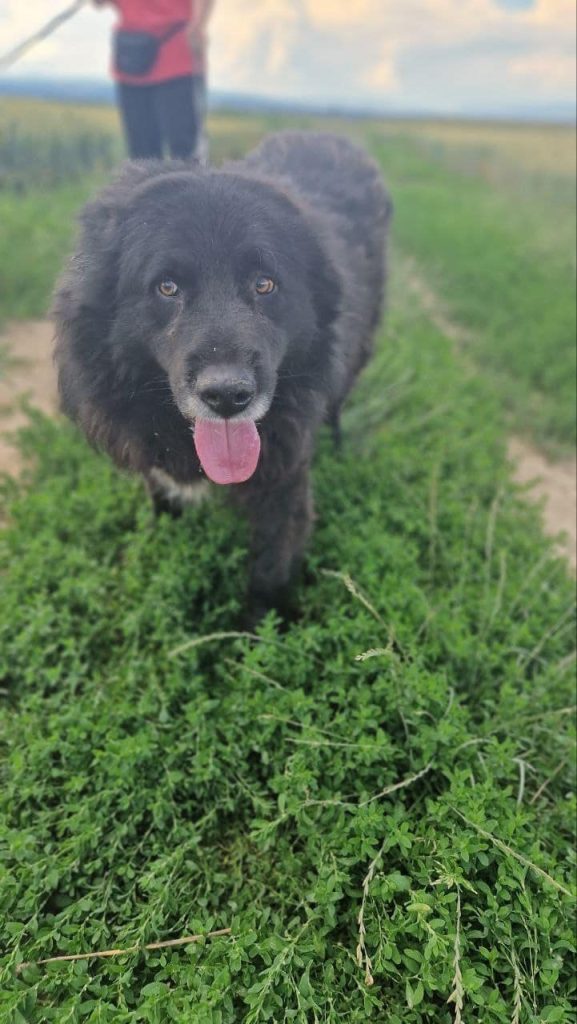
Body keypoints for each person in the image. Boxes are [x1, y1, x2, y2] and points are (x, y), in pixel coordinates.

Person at [93, 0, 215, 160]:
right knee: (143, 158)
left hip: (177, 59)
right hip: (132, 60)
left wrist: (198, 25)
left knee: (185, 155)